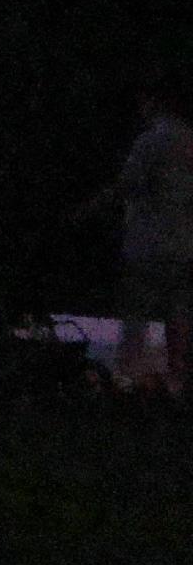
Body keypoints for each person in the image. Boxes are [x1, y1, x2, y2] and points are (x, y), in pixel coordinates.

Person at [102, 90, 193, 393]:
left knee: (137, 309)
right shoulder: (190, 141)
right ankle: (177, 377)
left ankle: (130, 376)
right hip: (184, 243)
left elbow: (127, 183)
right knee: (178, 311)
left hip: (148, 242)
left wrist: (90, 207)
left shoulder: (150, 141)